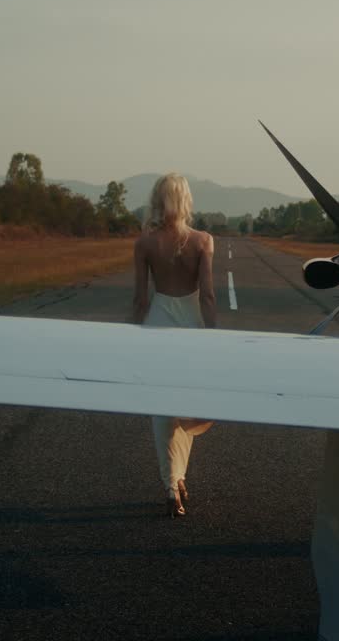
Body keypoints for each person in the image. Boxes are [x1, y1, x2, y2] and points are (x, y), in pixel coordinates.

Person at [132, 173, 217, 518]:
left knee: (162, 411)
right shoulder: (203, 241)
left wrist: (128, 338)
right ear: (185, 200)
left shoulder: (145, 242)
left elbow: (139, 299)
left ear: (157, 198)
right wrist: (216, 336)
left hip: (158, 326)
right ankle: (176, 480)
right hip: (193, 330)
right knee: (186, 407)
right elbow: (208, 296)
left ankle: (172, 483)